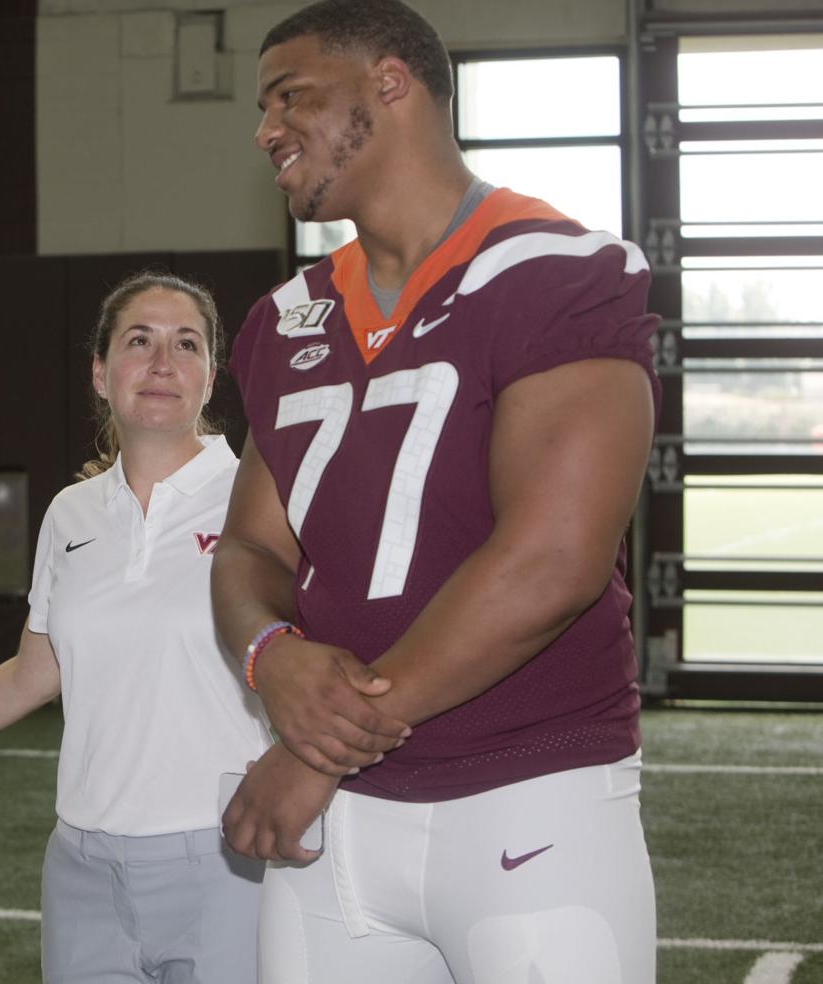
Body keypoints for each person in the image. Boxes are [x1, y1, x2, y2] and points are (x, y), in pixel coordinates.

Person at [213, 2, 661, 982]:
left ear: (390, 84)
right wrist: (266, 652)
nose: (265, 131)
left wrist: (322, 747)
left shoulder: (558, 272)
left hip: (525, 795)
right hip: (332, 833)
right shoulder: (287, 316)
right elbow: (252, 547)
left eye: (292, 97)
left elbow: (554, 561)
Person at [0, 271, 272, 984]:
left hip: (225, 861)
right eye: (140, 341)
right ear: (101, 374)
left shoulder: (258, 500)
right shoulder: (71, 514)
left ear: (211, 375)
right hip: (83, 869)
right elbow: (35, 672)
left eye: (185, 344)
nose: (163, 363)